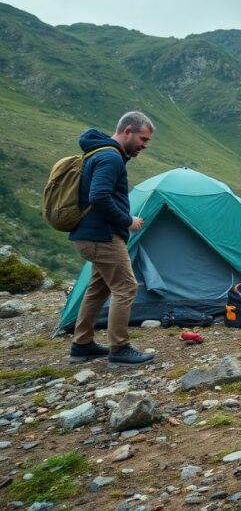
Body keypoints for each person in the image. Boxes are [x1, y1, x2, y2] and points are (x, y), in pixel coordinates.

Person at [68, 111, 156, 366]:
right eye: (143, 139)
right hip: (102, 237)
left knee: (99, 288)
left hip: (92, 236)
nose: (144, 145)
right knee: (126, 288)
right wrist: (127, 220)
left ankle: (82, 345)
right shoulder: (110, 157)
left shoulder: (100, 153)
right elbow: (99, 196)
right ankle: (119, 349)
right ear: (127, 131)